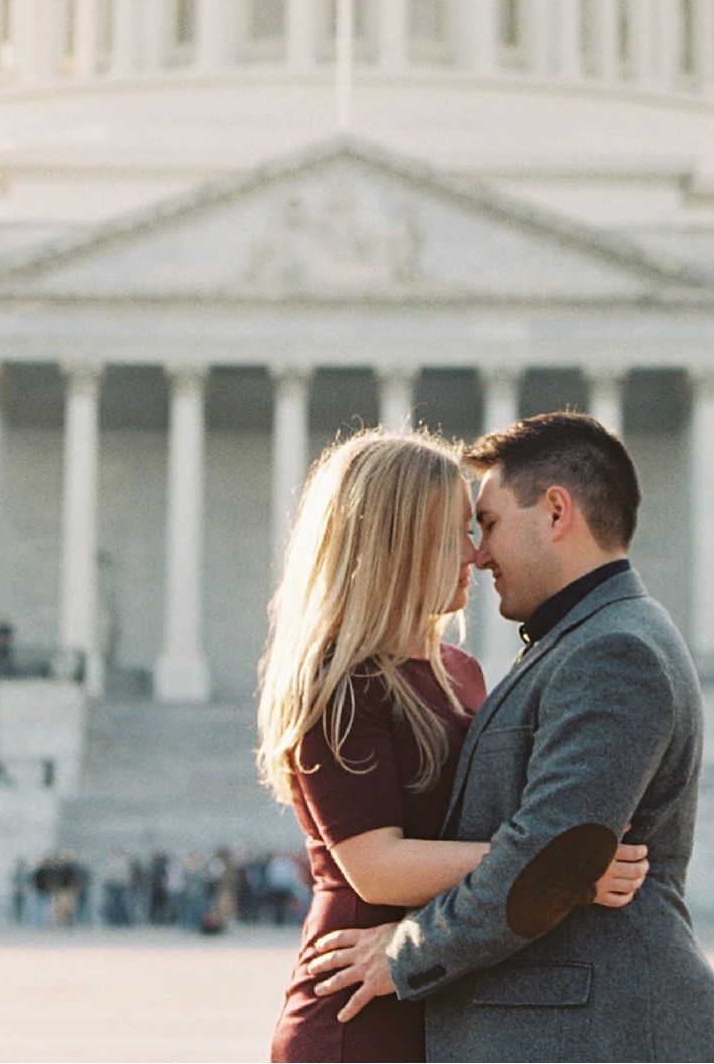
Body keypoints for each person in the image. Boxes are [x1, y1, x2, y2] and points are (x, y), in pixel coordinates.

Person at [304, 410, 714, 1062]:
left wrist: (405, 952)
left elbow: (557, 853)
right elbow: (558, 857)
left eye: (488, 524)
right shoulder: (580, 641)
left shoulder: (614, 649)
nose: (478, 554)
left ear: (556, 513)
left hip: (593, 1029)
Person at [261, 428, 649, 1063]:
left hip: (434, 989)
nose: (476, 555)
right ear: (398, 545)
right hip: (357, 1006)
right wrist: (562, 867)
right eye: (455, 536)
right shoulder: (343, 679)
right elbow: (376, 866)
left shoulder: (460, 671)